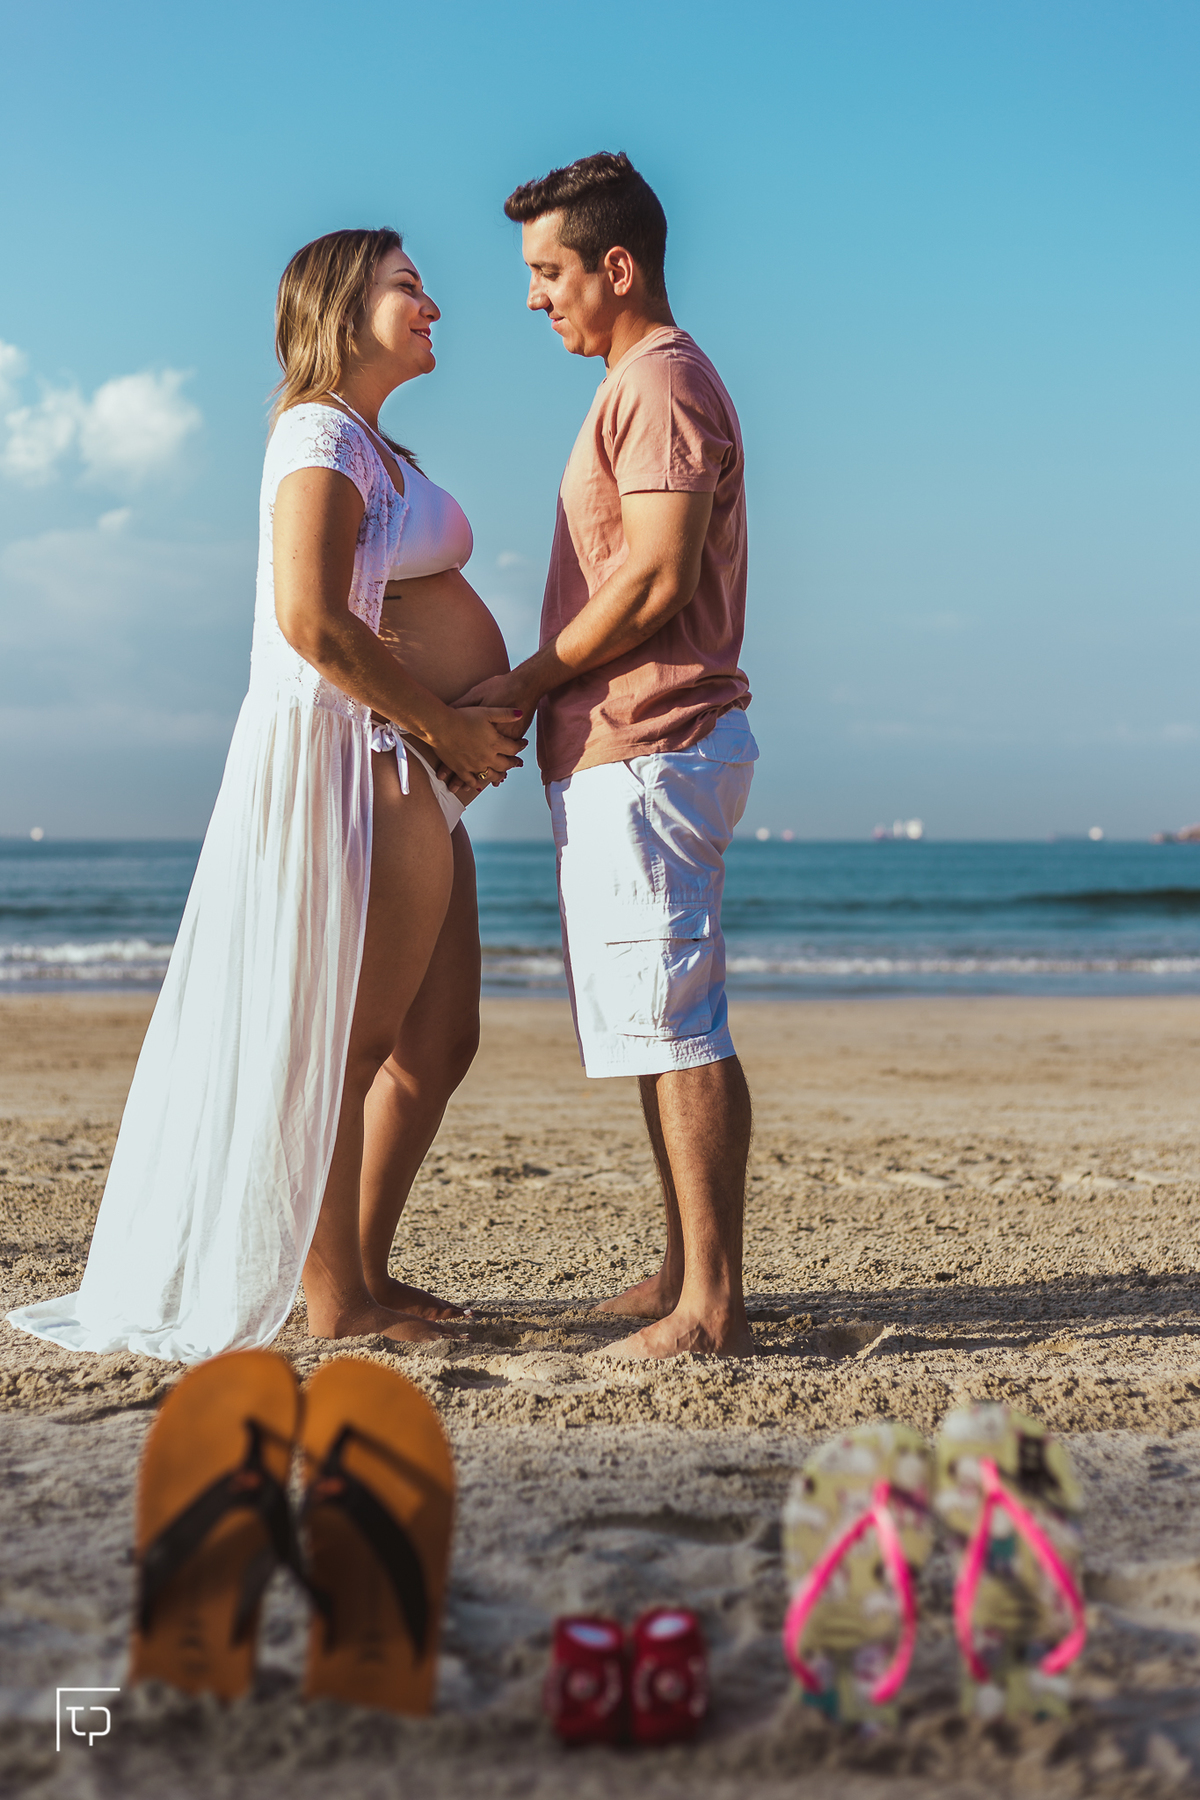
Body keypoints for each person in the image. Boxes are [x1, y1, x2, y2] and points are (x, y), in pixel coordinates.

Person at [9, 228, 523, 1362]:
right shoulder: (317, 432)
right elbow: (311, 619)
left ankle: (365, 1261)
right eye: (407, 286)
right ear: (343, 311)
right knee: (347, 1040)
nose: (432, 301)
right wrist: (444, 724)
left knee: (440, 1038)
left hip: (414, 764)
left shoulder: (382, 445)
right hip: (359, 757)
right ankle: (339, 1303)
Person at [456, 153, 758, 1360]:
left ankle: (714, 1307)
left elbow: (659, 573)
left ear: (615, 266)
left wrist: (527, 682)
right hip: (625, 747)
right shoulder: (636, 384)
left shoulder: (661, 383)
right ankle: (683, 1270)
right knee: (650, 1014)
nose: (536, 299)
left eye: (548, 272)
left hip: (655, 738)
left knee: (679, 1017)